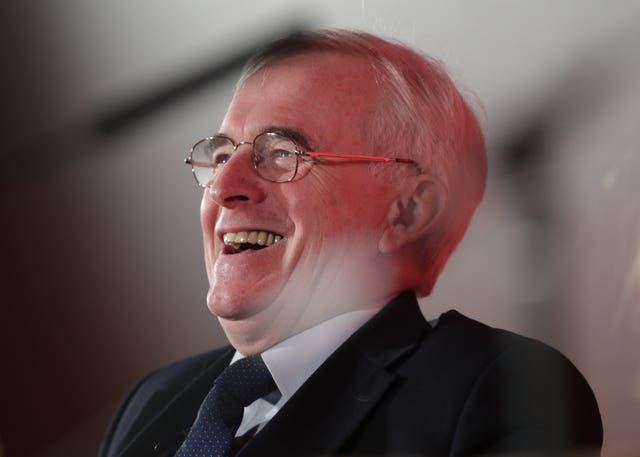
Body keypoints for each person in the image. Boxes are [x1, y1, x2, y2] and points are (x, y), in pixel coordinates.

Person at [100, 30, 602, 457]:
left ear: (406, 211)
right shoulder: (152, 398)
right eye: (222, 152)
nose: (225, 185)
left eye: (281, 152)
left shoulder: (496, 388)